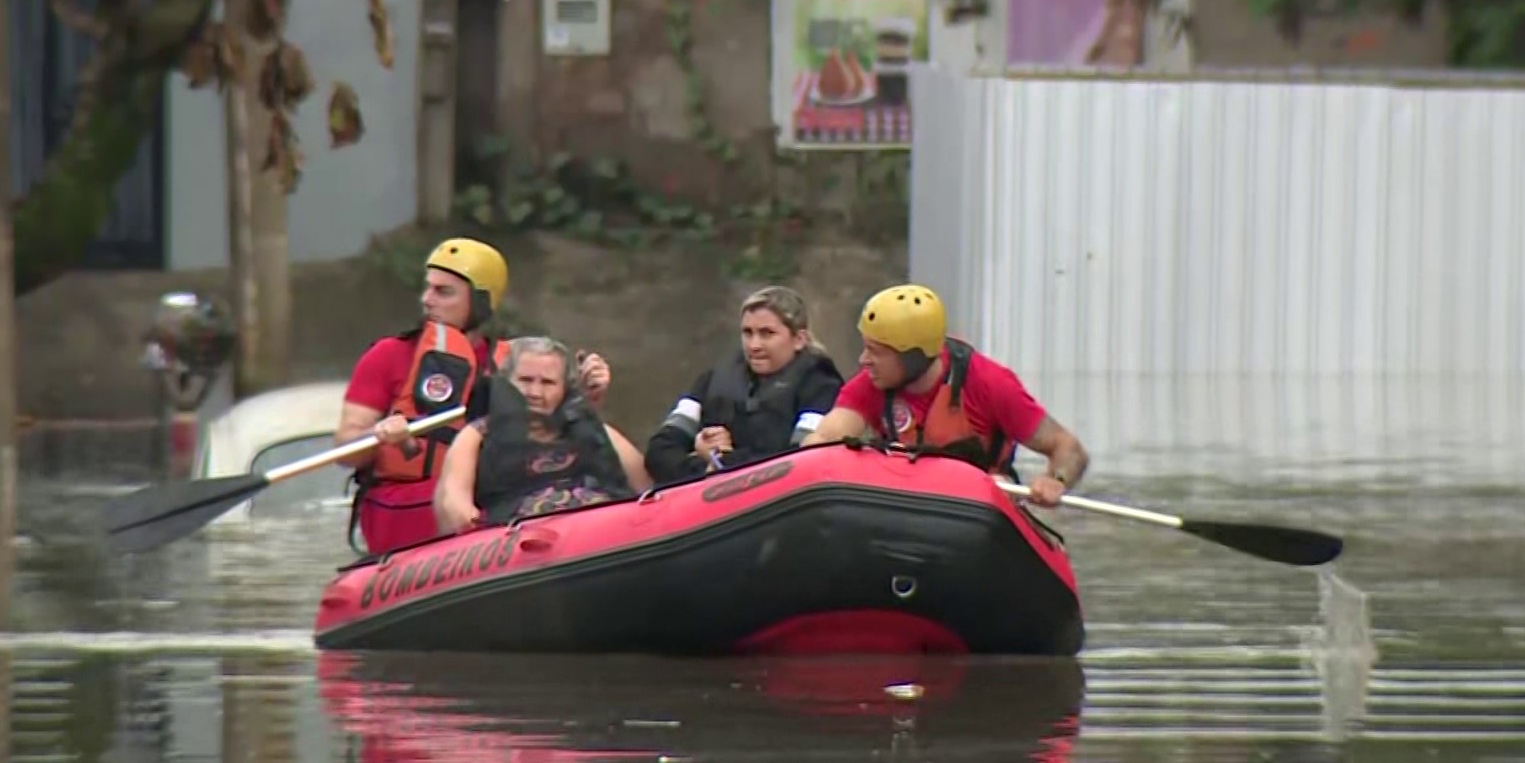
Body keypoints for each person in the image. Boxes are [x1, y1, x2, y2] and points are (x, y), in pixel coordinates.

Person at [335, 238, 613, 554]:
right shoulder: (389, 355)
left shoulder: (515, 363)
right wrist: (379, 434)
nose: (427, 300)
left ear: (481, 301)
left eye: (444, 292)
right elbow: (346, 451)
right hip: (408, 507)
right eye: (428, 288)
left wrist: (589, 397)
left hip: (495, 502)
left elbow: (559, 435)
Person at [801, 283, 1089, 506]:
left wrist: (1056, 480)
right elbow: (828, 436)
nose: (863, 360)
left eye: (877, 352)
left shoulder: (990, 383)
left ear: (914, 356)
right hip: (904, 502)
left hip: (976, 507)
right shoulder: (873, 383)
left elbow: (1068, 448)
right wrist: (809, 454)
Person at [433, 336, 651, 532]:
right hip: (517, 547)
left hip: (607, 535)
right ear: (506, 383)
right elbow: (454, 502)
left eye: (547, 383)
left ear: (564, 389)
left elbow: (651, 490)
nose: (535, 393)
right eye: (526, 381)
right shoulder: (477, 435)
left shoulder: (593, 430)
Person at [643, 285, 845, 484]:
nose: (754, 345)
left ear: (799, 339)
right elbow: (660, 450)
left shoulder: (822, 386)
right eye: (748, 333)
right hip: (702, 496)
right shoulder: (712, 380)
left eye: (767, 333)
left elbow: (802, 461)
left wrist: (722, 459)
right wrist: (705, 468)